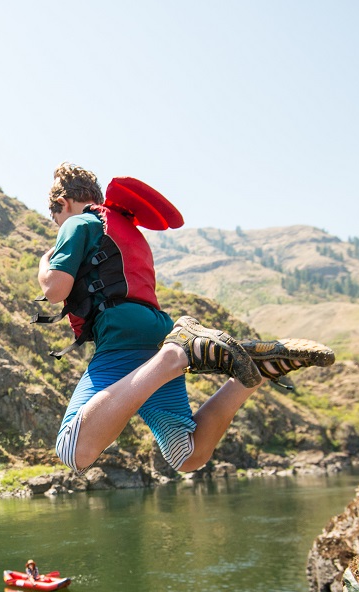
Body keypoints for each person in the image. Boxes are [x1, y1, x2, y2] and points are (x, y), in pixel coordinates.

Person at [37, 163, 335, 474]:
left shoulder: (78, 222)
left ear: (63, 203)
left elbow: (55, 290)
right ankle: (255, 372)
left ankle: (175, 355)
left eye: (56, 220)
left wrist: (46, 264)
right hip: (157, 330)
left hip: (122, 335)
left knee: (72, 450)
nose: (59, 227)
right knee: (187, 454)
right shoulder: (126, 229)